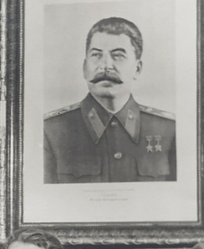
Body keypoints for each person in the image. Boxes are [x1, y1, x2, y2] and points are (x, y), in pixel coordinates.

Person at [44, 16, 176, 183]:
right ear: (85, 68)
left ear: (137, 69)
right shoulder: (51, 131)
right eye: (96, 55)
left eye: (118, 55)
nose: (105, 66)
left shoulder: (169, 130)